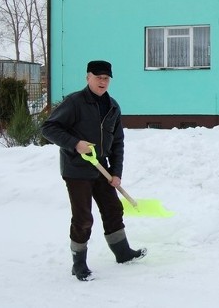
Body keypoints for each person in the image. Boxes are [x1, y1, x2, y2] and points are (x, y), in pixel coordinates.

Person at [42, 60, 146, 281]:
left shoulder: (113, 107)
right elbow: (48, 128)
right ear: (87, 77)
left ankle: (123, 253)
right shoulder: (74, 102)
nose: (102, 81)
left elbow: (118, 142)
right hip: (76, 168)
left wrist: (116, 172)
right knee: (83, 218)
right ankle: (78, 263)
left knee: (113, 208)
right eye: (98, 77)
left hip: (101, 166)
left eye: (106, 78)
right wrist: (75, 143)